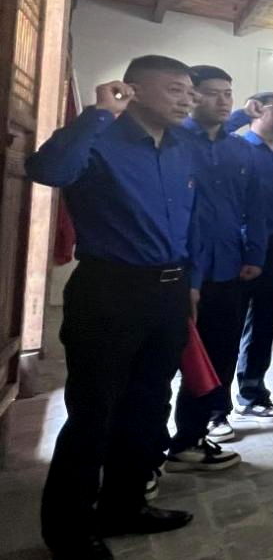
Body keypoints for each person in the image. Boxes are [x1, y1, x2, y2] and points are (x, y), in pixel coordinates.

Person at [27, 56, 197, 559]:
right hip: (110, 291)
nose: (187, 99)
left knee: (148, 405)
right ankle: (69, 531)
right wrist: (99, 113)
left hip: (168, 291)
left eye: (189, 91)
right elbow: (48, 169)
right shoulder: (101, 138)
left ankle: (124, 505)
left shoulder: (182, 148)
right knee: (94, 412)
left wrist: (190, 283)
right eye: (175, 89)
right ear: (134, 89)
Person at [165, 66, 266, 472]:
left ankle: (189, 439)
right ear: (192, 96)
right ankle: (141, 455)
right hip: (174, 271)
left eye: (228, 93)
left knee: (216, 358)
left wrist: (254, 254)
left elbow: (254, 206)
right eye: (212, 93)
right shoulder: (172, 140)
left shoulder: (240, 150)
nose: (223, 101)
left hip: (226, 270)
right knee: (159, 365)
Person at [226, 92, 273, 424]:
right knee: (227, 328)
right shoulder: (237, 148)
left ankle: (252, 393)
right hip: (240, 251)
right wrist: (239, 114)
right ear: (256, 110)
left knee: (263, 325)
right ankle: (214, 409)